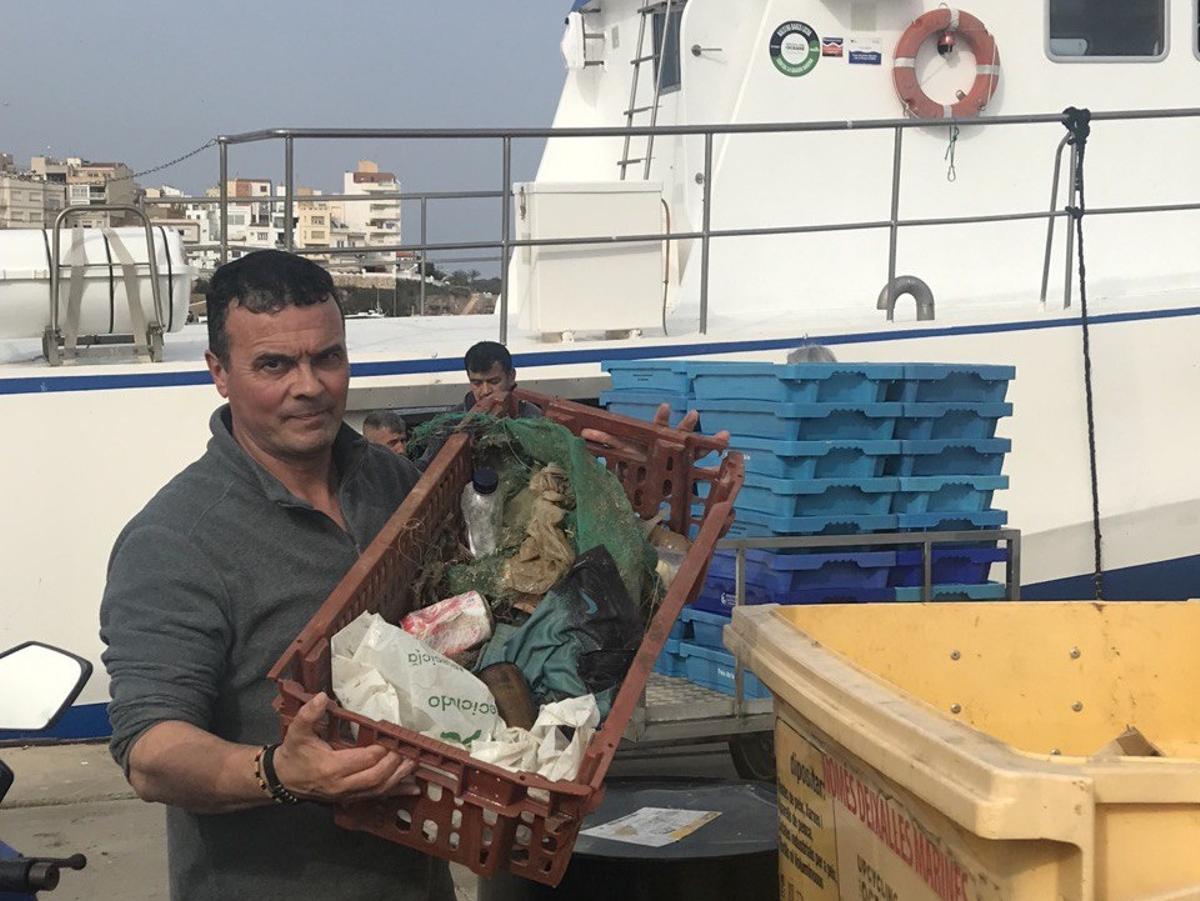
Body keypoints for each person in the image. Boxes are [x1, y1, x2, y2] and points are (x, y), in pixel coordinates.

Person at [99, 250, 454, 901]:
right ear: (219, 373)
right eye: (275, 364)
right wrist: (279, 771)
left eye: (327, 357)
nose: (310, 385)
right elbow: (150, 750)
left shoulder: (390, 480)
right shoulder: (174, 539)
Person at [461, 340, 542, 418]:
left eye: (494, 382)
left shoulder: (535, 418)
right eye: (477, 383)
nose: (485, 391)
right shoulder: (452, 422)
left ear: (511, 377)